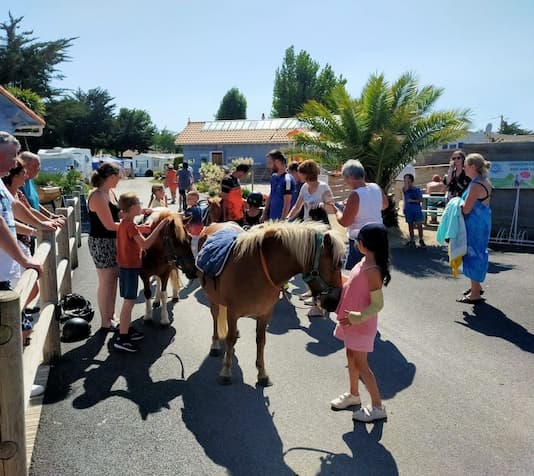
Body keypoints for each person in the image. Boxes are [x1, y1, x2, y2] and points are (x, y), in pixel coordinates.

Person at [330, 223, 391, 422]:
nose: (356, 242)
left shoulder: (373, 270)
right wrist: (337, 276)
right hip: (351, 322)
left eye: (358, 240)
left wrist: (358, 316)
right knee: (351, 358)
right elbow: (354, 283)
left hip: (361, 325)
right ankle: (353, 394)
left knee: (362, 365)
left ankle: (377, 406)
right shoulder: (364, 262)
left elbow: (377, 304)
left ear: (366, 244)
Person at [0, 132, 43, 345]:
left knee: (16, 332)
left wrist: (41, 224)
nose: (14, 161)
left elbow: (15, 208)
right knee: (11, 336)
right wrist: (25, 260)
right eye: (11, 155)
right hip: (1, 275)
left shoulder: (0, 183)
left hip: (6, 271)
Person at [114, 193, 169, 352]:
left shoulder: (125, 223)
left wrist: (145, 225)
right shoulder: (130, 225)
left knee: (128, 301)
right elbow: (145, 245)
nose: (141, 206)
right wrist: (158, 227)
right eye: (138, 204)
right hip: (130, 268)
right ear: (131, 208)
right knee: (129, 303)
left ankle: (127, 328)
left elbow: (135, 231)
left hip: (125, 266)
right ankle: (123, 337)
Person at [325, 160, 388, 270]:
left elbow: (345, 222)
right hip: (379, 239)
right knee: (374, 272)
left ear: (350, 177)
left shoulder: (355, 195)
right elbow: (384, 205)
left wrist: (335, 210)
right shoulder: (376, 187)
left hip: (360, 243)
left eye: (344, 178)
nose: (345, 182)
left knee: (353, 275)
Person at [87, 162, 121, 331]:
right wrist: (133, 227)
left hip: (112, 242)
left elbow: (117, 214)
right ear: (112, 176)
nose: (120, 179)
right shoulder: (98, 196)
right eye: (119, 176)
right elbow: (109, 225)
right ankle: (105, 321)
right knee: (106, 282)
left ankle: (111, 315)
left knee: (113, 280)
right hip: (101, 242)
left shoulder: (110, 193)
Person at [456, 153, 492, 304]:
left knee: (473, 255)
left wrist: (455, 204)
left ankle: (475, 292)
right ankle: (476, 286)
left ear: (472, 166)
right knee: (478, 253)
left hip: (474, 225)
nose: (463, 167)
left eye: (465, 165)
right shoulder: (483, 181)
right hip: (481, 222)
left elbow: (466, 209)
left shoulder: (476, 185)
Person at [19, 152, 65, 225]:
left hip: (36, 224)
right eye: (35, 165)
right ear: (24, 166)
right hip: (28, 225)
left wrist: (51, 216)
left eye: (39, 165)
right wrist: (48, 220)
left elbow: (36, 204)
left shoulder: (30, 180)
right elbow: (27, 209)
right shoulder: (19, 183)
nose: (38, 169)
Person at [286, 159, 334, 225]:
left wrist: (323, 205)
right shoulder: (304, 187)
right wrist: (287, 219)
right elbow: (297, 207)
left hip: (321, 227)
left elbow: (332, 209)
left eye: (300, 172)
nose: (298, 174)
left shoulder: (324, 187)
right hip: (306, 226)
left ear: (306, 174)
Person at [261, 150, 295, 221]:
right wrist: (264, 213)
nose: (268, 166)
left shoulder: (287, 180)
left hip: (283, 223)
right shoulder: (273, 177)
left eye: (270, 163)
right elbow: (271, 196)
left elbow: (287, 203)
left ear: (277, 162)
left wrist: (282, 220)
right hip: (272, 220)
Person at [402, 173, 425, 248]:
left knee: (419, 225)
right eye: (405, 179)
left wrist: (413, 201)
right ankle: (412, 240)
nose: (406, 181)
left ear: (411, 180)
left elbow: (421, 200)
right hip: (408, 210)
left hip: (416, 210)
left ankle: (421, 239)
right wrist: (404, 208)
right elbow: (405, 191)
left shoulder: (417, 189)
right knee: (410, 225)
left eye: (408, 179)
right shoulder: (405, 189)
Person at [184, 190, 203, 257]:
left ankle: (195, 261)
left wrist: (187, 210)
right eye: (187, 199)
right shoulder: (200, 208)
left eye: (189, 199)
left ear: (196, 199)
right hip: (201, 232)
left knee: (194, 249)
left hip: (194, 234)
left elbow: (186, 219)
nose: (187, 201)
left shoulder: (190, 210)